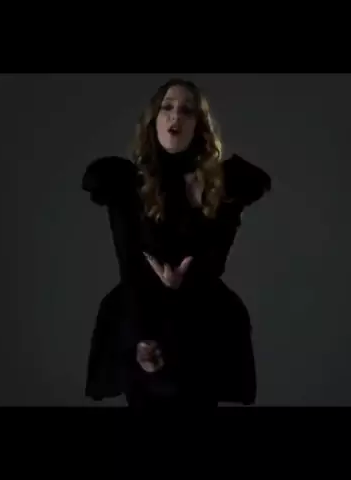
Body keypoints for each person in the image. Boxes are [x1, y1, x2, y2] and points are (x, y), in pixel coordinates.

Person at [81, 78, 271, 407]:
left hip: (201, 320)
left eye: (187, 111)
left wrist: (187, 279)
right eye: (167, 108)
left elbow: (217, 256)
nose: (175, 117)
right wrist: (142, 336)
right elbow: (129, 262)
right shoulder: (126, 182)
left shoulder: (221, 185)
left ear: (199, 125)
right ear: (153, 120)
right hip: (144, 312)